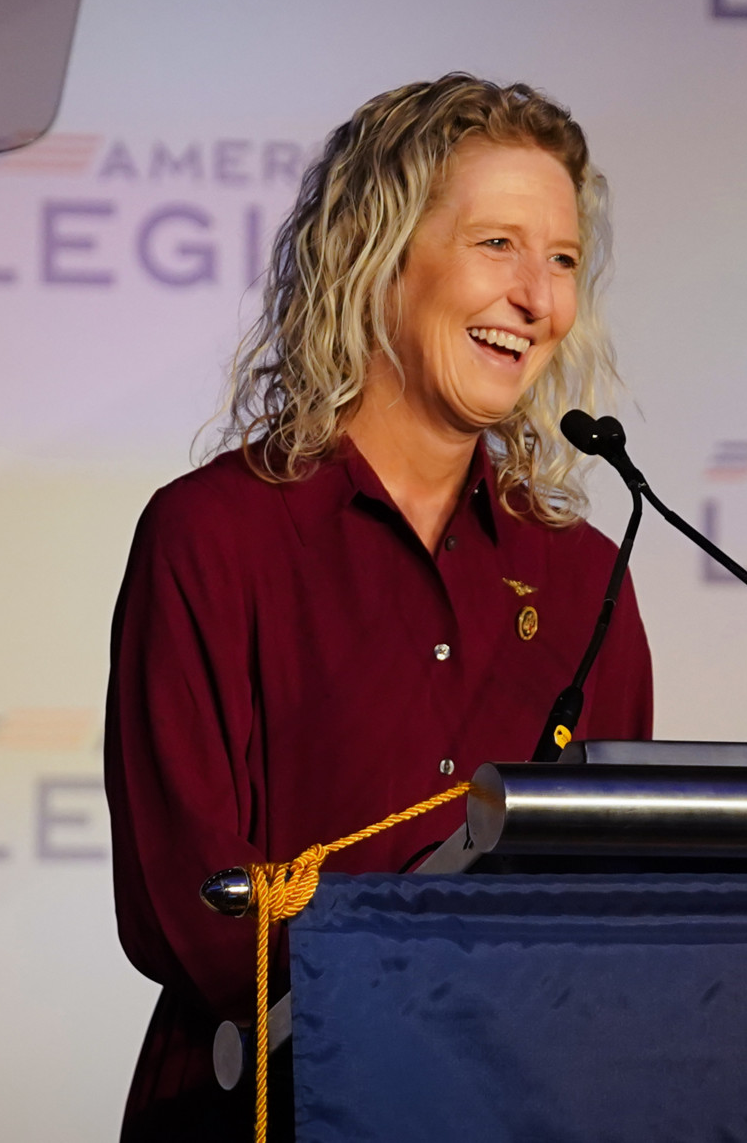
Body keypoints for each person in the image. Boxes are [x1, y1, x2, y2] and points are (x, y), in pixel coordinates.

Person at [101, 74, 654, 1139]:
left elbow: (615, 904)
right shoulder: (215, 534)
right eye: (498, 244)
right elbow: (190, 906)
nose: (537, 299)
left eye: (564, 259)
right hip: (265, 1105)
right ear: (376, 252)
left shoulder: (586, 575)